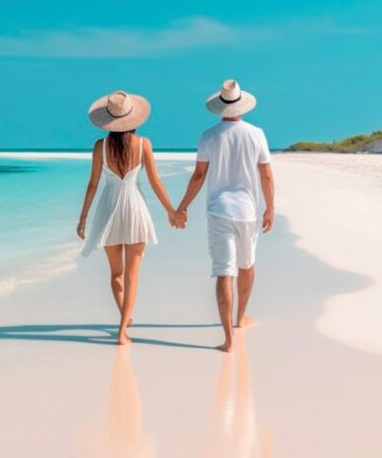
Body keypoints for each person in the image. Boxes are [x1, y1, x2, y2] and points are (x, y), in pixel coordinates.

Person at [174, 79, 275, 352]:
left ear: (220, 107)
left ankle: (228, 339)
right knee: (247, 265)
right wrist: (270, 207)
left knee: (224, 273)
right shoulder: (256, 133)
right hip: (247, 211)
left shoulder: (208, 135)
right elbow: (265, 173)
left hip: (219, 210)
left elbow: (198, 175)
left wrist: (182, 206)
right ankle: (241, 316)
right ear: (242, 105)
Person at [77, 91, 182, 345]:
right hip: (135, 207)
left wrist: (83, 217)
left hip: (108, 208)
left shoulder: (100, 147)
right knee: (133, 276)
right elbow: (155, 182)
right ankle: (123, 330)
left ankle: (124, 319)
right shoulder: (143, 144)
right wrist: (172, 210)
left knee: (116, 274)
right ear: (133, 118)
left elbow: (92, 184)